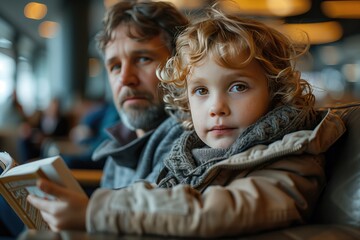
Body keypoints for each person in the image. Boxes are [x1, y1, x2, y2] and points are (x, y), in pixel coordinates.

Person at [27, 4, 346, 238]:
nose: (217, 107)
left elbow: (222, 210)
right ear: (185, 99)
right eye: (201, 91)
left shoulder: (294, 149)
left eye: (237, 87)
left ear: (275, 92)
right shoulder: (189, 151)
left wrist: (96, 211)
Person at [0, 0, 187, 237]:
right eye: (115, 66)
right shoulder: (121, 141)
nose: (125, 78)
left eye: (143, 59)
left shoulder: (185, 141)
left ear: (181, 65)